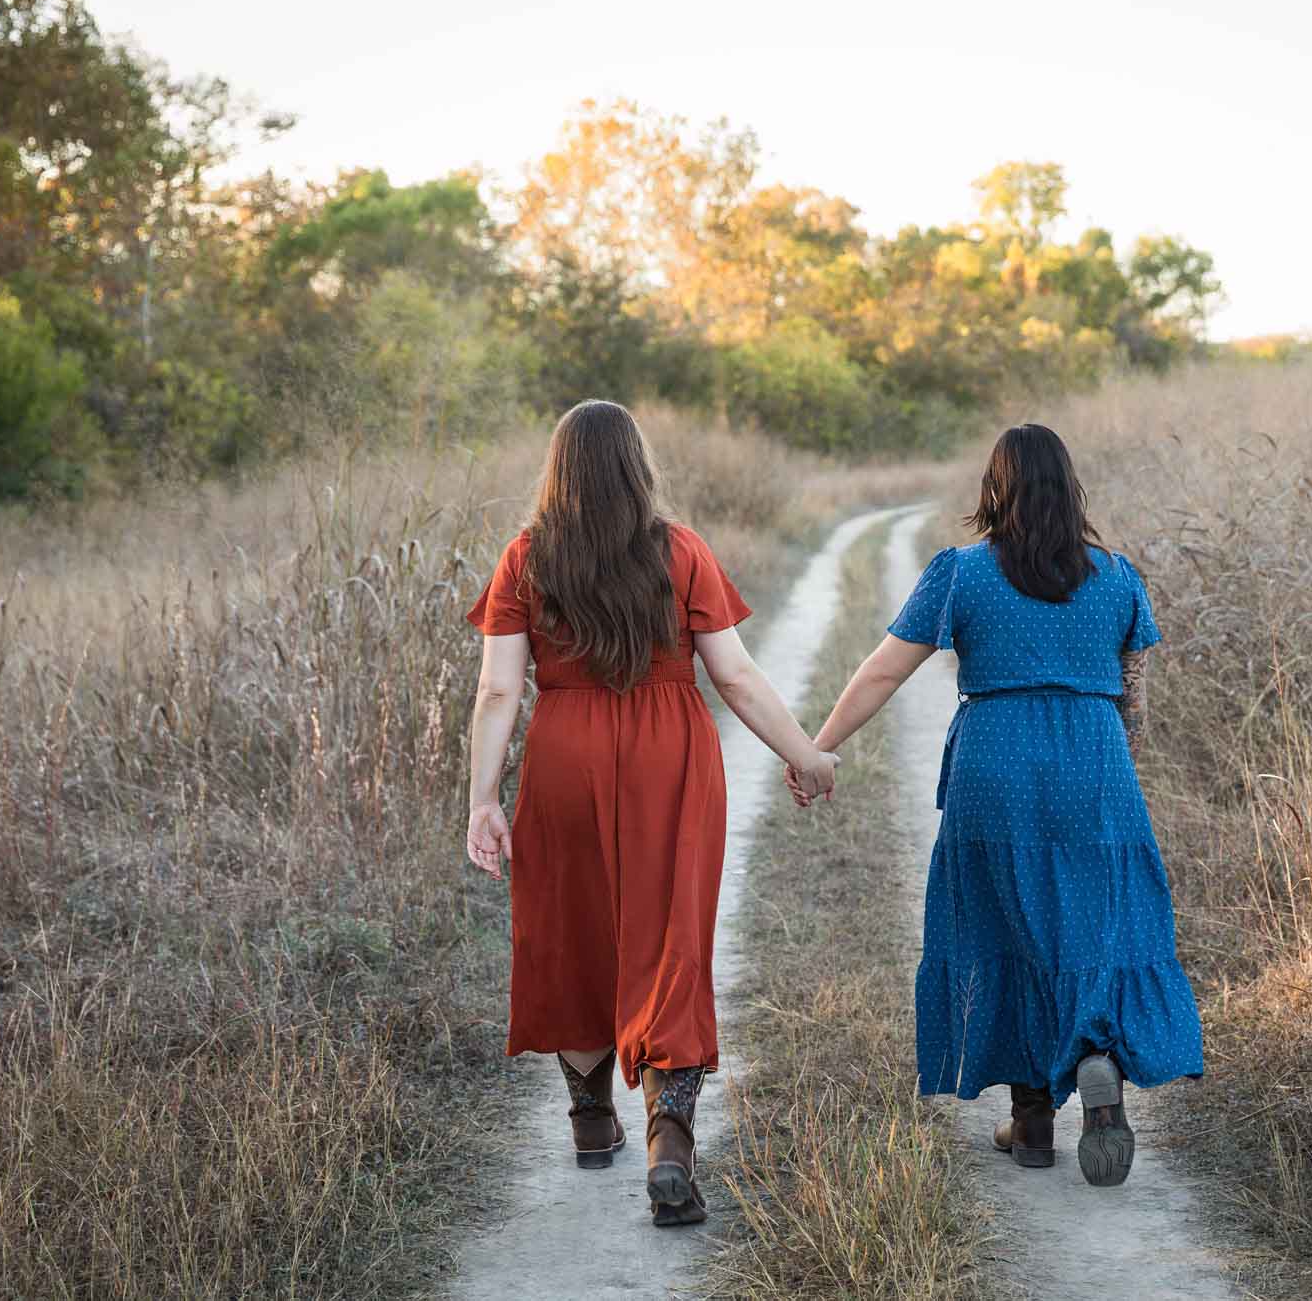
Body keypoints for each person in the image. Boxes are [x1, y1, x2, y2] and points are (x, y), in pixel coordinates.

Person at [792, 423, 1203, 1187]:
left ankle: (1033, 1119)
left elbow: (883, 671)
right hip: (1094, 762)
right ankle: (1095, 1055)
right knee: (1096, 923)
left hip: (996, 762)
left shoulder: (963, 574)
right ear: (1070, 489)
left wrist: (816, 748)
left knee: (1004, 924)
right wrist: (1108, 779)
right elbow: (1134, 702)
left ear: (994, 489)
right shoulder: (1118, 578)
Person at [464, 400, 838, 1227]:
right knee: (670, 939)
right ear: (638, 468)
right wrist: (804, 753)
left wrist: (483, 798)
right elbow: (735, 677)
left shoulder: (526, 558)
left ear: (558, 471)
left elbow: (497, 690)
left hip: (564, 756)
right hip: (670, 757)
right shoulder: (681, 551)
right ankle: (669, 1136)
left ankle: (591, 1116)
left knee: (573, 928)